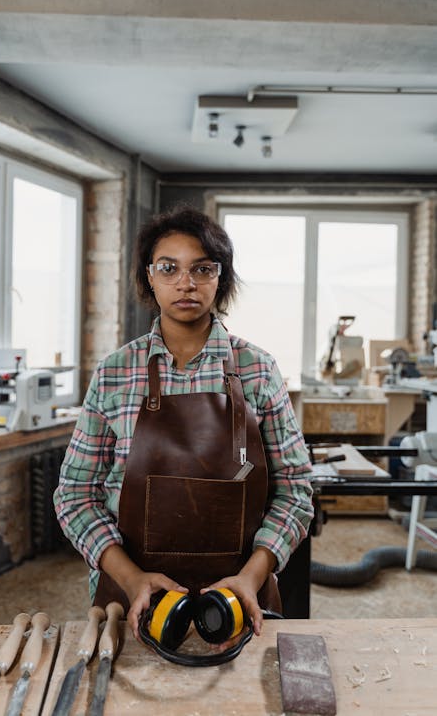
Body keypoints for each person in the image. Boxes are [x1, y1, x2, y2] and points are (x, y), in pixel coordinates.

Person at [54, 206, 313, 641]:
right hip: (131, 596)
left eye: (203, 269)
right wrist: (133, 578)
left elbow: (295, 490)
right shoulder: (115, 372)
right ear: (149, 277)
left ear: (221, 279)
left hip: (237, 600)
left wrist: (252, 576)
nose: (186, 283)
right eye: (168, 268)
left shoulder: (257, 370)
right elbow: (74, 496)